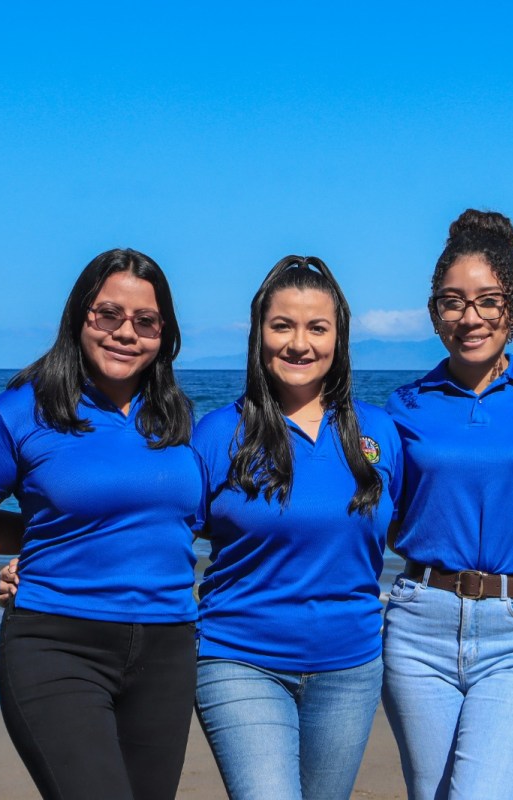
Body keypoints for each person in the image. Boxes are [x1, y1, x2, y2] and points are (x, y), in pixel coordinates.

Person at [0, 248, 202, 800]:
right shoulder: (22, 410)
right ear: (80, 316)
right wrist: (31, 548)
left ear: (164, 333)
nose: (125, 332)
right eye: (108, 315)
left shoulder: (180, 417)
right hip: (57, 644)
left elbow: (189, 525)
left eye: (145, 320)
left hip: (167, 651)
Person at [382, 209, 513, 799]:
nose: (469, 318)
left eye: (487, 301)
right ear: (433, 312)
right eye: (452, 302)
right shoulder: (403, 406)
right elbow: (378, 514)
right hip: (419, 626)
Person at [192, 256, 402, 799]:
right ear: (259, 333)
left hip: (350, 667)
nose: (299, 343)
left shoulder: (379, 432)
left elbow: (419, 532)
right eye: (282, 325)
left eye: (317, 327)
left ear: (340, 338)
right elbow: (161, 538)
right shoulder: (218, 434)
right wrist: (40, 562)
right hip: (239, 657)